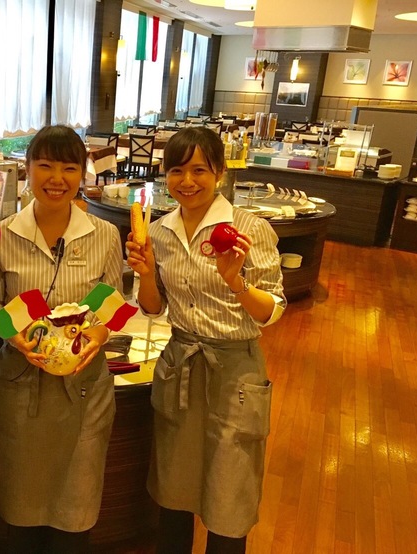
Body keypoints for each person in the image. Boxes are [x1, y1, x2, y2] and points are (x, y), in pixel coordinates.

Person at [125, 126, 286, 554]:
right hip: (180, 362)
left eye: (199, 170)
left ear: (219, 172)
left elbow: (272, 310)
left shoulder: (249, 229)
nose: (187, 181)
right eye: (176, 171)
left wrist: (237, 283)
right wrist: (145, 274)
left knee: (230, 487)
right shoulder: (159, 232)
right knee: (175, 485)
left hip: (235, 370)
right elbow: (153, 308)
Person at [0, 125, 124, 553]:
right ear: (26, 169)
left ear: (83, 173)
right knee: (21, 510)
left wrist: (97, 334)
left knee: (76, 511)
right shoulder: (3, 234)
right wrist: (13, 336)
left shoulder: (103, 234)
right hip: (18, 388)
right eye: (45, 165)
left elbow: (111, 304)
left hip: (83, 391)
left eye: (69, 167)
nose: (57, 178)